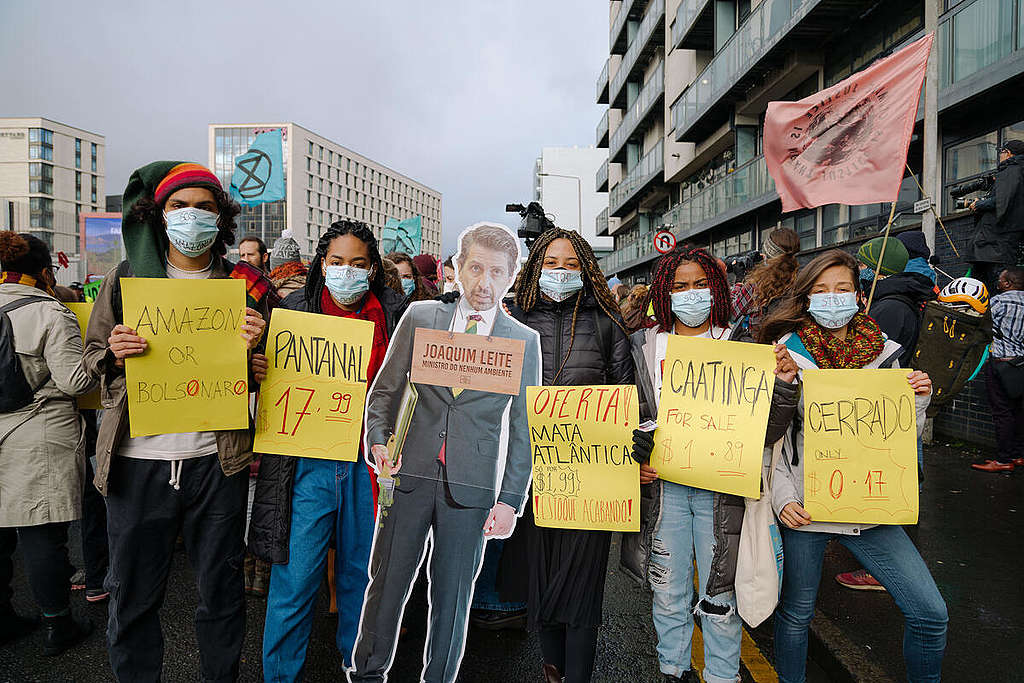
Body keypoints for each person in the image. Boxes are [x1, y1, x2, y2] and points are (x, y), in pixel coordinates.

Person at [81, 161, 268, 682]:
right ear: (158, 216)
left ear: (222, 218)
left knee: (222, 593)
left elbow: (261, 376)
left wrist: (256, 364)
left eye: (205, 208)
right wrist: (113, 352)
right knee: (133, 596)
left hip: (217, 463)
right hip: (138, 463)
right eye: (179, 206)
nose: (192, 216)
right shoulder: (127, 278)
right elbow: (92, 356)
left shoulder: (242, 285)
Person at [349, 222, 541, 683]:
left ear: (511, 276)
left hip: (472, 485)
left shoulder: (523, 341)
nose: (484, 282)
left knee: (453, 598)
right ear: (457, 269)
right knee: (387, 583)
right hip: (409, 473)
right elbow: (385, 392)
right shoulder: (421, 318)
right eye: (475, 268)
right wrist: (377, 440)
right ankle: (367, 672)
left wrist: (511, 501)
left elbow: (524, 430)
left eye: (497, 272)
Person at [759, 249, 948, 683]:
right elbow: (771, 441)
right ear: (806, 298)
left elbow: (898, 440)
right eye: (821, 290)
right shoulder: (784, 355)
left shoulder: (883, 352)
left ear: (859, 296)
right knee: (797, 616)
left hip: (870, 508)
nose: (832, 298)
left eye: (842, 289)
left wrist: (918, 401)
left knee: (930, 613)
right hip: (807, 509)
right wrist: (784, 498)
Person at [623, 245, 799, 683]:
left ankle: (724, 675)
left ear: (716, 288)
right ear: (664, 292)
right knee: (667, 591)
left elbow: (771, 430)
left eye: (700, 284)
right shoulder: (642, 346)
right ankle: (673, 670)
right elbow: (628, 414)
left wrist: (785, 385)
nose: (691, 294)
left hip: (724, 494)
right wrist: (636, 450)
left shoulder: (742, 346)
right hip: (664, 490)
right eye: (680, 286)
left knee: (722, 595)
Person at [247, 220, 406, 678]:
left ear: (373, 268)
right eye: (337, 262)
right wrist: (260, 367)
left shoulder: (399, 315)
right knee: (295, 581)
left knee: (362, 576)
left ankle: (360, 667)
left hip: (370, 464)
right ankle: (281, 675)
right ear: (322, 264)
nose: (347, 272)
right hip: (308, 462)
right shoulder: (291, 310)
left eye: (358, 263)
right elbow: (266, 380)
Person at [501, 228, 634, 683]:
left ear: (587, 270)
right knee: (542, 579)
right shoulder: (510, 320)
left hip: (592, 477)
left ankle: (577, 675)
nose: (561, 272)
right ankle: (552, 667)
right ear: (536, 266)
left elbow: (625, 395)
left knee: (581, 586)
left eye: (572, 264)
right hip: (532, 474)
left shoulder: (606, 323)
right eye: (552, 263)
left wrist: (636, 441)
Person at [0, 232, 97, 653]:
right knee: (41, 533)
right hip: (37, 431)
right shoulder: (48, 311)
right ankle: (59, 624)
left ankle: (3, 618)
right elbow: (74, 380)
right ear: (43, 272)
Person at [972, 266, 1024, 472]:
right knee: (1019, 411)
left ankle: (1003, 460)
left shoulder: (998, 301)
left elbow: (981, 324)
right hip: (1022, 363)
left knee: (1002, 412)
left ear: (1008, 283)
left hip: (1001, 363)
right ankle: (1019, 455)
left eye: (1001, 280)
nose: (998, 282)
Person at [967, 139, 1024, 292]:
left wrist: (979, 204)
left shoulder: (1011, 170)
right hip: (1001, 244)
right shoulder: (1018, 172)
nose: (999, 156)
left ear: (1009, 153)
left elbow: (1002, 200)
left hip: (994, 244)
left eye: (1001, 152)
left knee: (987, 290)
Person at [732, 228, 800, 338]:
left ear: (767, 251)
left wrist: (739, 281)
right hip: (788, 347)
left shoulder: (757, 283)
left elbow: (732, 313)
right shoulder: (801, 279)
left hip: (760, 346)